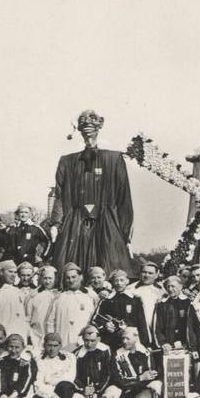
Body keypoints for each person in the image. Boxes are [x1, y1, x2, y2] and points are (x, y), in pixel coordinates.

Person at [48, 110, 134, 276]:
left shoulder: (114, 159)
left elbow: (124, 199)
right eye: (84, 126)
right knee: (69, 271)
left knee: (109, 271)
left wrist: (126, 236)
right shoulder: (67, 161)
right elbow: (59, 195)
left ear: (99, 127)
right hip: (74, 223)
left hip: (106, 224)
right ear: (79, 130)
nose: (88, 130)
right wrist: (55, 224)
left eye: (92, 125)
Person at [105, 327, 161, 398]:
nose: (124, 341)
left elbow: (151, 375)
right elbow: (119, 381)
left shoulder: (146, 353)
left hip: (142, 393)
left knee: (157, 385)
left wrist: (143, 380)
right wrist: (140, 378)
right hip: (127, 393)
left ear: (136, 338)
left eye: (127, 338)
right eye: (123, 338)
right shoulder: (117, 355)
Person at [46, 262, 99, 351]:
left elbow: (96, 319)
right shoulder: (59, 297)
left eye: (74, 277)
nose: (71, 280)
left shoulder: (91, 295)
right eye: (68, 278)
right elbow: (51, 322)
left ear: (80, 277)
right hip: (63, 343)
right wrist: (54, 341)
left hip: (84, 344)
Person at [70, 325, 115, 398]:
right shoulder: (76, 354)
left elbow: (107, 374)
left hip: (99, 390)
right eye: (86, 340)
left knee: (114, 392)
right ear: (82, 339)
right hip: (84, 391)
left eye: (92, 341)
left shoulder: (105, 350)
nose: (89, 344)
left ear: (98, 338)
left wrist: (97, 391)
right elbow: (73, 377)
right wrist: (83, 389)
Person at [31, 332, 78, 398]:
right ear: (44, 345)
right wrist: (53, 395)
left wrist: (50, 381)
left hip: (64, 391)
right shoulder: (39, 360)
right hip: (47, 393)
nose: (52, 349)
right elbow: (38, 383)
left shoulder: (70, 358)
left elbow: (69, 378)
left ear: (60, 346)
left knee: (65, 385)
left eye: (55, 346)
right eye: (49, 345)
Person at [97, 269, 150, 350]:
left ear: (127, 281)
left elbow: (142, 322)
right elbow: (97, 318)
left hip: (130, 340)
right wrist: (105, 325)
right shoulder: (106, 300)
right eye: (116, 281)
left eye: (122, 280)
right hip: (112, 339)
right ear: (112, 282)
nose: (119, 283)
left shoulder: (135, 299)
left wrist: (145, 343)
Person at [0, 260, 29, 341]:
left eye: (15, 272)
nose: (13, 275)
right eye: (10, 272)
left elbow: (22, 317)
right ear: (1, 272)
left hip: (17, 337)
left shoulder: (18, 292)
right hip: (0, 338)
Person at [152, 275, 191, 352]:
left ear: (180, 287)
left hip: (186, 345)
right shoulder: (162, 304)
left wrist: (189, 343)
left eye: (173, 286)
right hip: (168, 345)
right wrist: (163, 342)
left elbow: (192, 326)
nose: (170, 289)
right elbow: (157, 326)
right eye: (168, 286)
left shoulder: (188, 302)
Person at [26, 265, 59, 346]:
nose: (47, 282)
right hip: (36, 336)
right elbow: (27, 318)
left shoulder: (59, 295)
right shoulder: (34, 296)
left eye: (50, 278)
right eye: (45, 278)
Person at [129, 262, 164, 334]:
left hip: (157, 328)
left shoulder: (162, 290)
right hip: (137, 328)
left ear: (156, 275)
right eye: (144, 272)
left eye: (150, 273)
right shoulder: (130, 288)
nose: (146, 275)